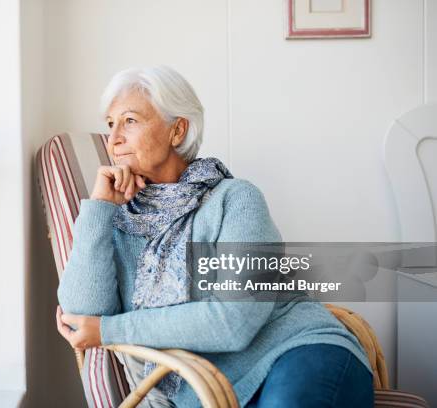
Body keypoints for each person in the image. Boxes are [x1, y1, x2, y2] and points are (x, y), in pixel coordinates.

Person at [55, 66, 374, 407]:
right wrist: (100, 208)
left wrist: (109, 330)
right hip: (210, 392)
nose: (114, 138)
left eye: (130, 121)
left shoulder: (236, 199)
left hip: (298, 352)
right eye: (110, 124)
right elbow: (80, 315)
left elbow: (232, 320)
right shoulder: (116, 219)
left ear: (177, 130)